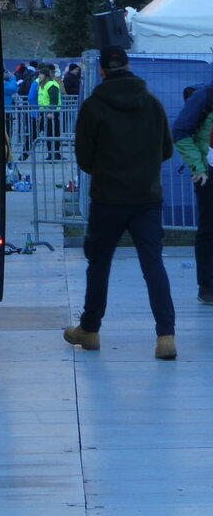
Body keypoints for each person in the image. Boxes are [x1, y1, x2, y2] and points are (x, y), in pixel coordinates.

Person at [66, 45, 176, 360]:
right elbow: (166, 150)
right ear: (128, 66)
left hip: (108, 199)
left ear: (101, 70)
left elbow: (84, 159)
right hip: (147, 199)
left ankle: (90, 330)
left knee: (99, 264)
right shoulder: (152, 104)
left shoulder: (93, 107)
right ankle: (166, 337)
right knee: (153, 264)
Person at [172, 81, 213, 305]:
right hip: (208, 172)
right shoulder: (205, 96)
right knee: (209, 229)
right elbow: (180, 131)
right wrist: (198, 166)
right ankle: (207, 286)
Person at [37, 64, 63, 160]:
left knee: (54, 134)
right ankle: (50, 154)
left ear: (45, 75)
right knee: (48, 134)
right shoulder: (42, 85)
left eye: (40, 74)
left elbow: (54, 100)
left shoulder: (52, 85)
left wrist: (51, 112)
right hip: (45, 113)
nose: (39, 76)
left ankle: (55, 154)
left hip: (51, 113)